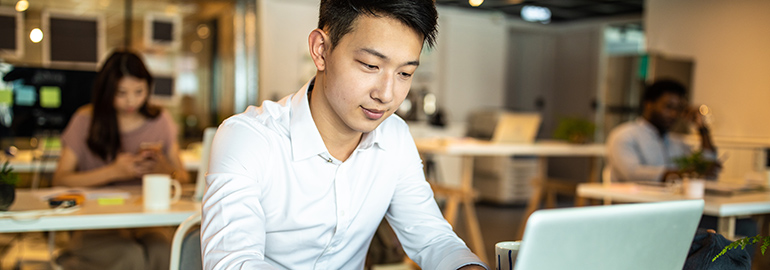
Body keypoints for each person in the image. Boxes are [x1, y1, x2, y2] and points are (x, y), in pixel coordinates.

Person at [201, 1, 487, 269]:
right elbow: (233, 263)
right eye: (370, 66)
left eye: (404, 73)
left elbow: (433, 239)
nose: (386, 95)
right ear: (321, 50)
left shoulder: (395, 137)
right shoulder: (249, 138)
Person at [52, 50, 189, 270]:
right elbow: (60, 179)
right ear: (106, 91)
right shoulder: (85, 120)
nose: (131, 101)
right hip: (96, 223)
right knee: (130, 256)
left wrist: (163, 169)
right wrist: (114, 171)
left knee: (163, 250)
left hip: (146, 221)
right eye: (121, 93)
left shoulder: (160, 120)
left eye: (139, 91)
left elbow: (182, 178)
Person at [607, 79, 717, 183]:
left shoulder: (676, 141)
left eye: (678, 108)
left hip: (670, 201)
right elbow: (632, 174)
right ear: (648, 104)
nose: (674, 114)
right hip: (634, 202)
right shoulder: (625, 135)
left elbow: (703, 165)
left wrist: (702, 128)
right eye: (668, 107)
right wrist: (680, 174)